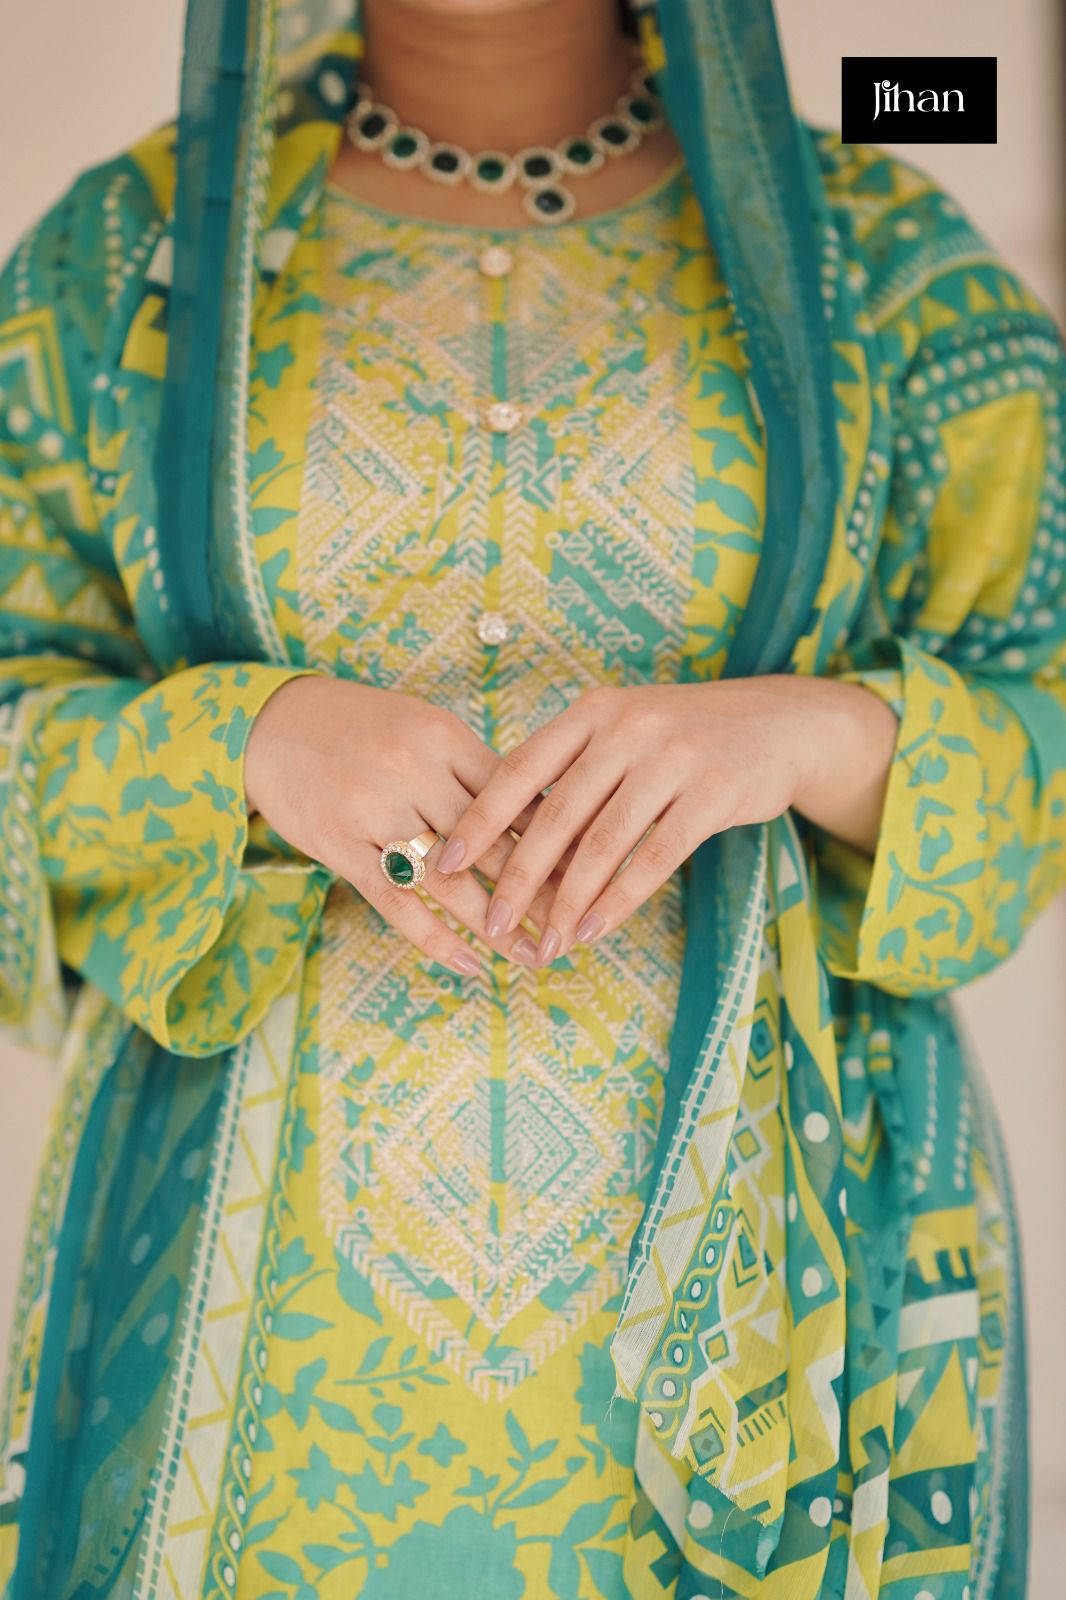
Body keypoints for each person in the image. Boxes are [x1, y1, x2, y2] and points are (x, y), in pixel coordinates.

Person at [1, 0, 1063, 1594]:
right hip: (246, 1343)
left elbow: (1041, 711)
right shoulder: (122, 269)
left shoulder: (879, 261)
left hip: (785, 1316)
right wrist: (245, 742)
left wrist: (809, 734)